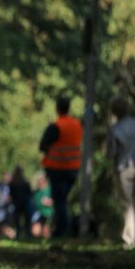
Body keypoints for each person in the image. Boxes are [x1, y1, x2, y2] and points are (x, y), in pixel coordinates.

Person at [39, 96, 83, 238]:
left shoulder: (56, 127)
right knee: (63, 200)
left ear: (57, 109)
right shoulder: (77, 125)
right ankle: (63, 229)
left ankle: (61, 230)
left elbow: (43, 146)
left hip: (57, 169)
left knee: (59, 201)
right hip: (73, 169)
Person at [107, 95, 135, 249]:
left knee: (127, 203)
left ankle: (129, 238)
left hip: (124, 167)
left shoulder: (115, 129)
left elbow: (111, 152)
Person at [8, 166, 34, 239]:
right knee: (21, 220)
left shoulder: (16, 183)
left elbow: (29, 193)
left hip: (21, 203)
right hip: (20, 203)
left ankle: (24, 234)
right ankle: (24, 234)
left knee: (22, 219)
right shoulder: (19, 183)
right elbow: (30, 193)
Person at [0, 171, 15, 239]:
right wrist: (3, 198)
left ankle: (12, 235)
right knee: (2, 224)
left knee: (8, 224)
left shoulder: (12, 186)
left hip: (10, 208)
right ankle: (10, 236)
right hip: (1, 208)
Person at [31, 172, 53, 239]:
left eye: (42, 180)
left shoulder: (50, 190)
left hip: (49, 214)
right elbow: (35, 203)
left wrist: (47, 202)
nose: (40, 182)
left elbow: (55, 202)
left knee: (46, 230)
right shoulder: (37, 192)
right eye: (39, 180)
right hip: (39, 214)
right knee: (35, 231)